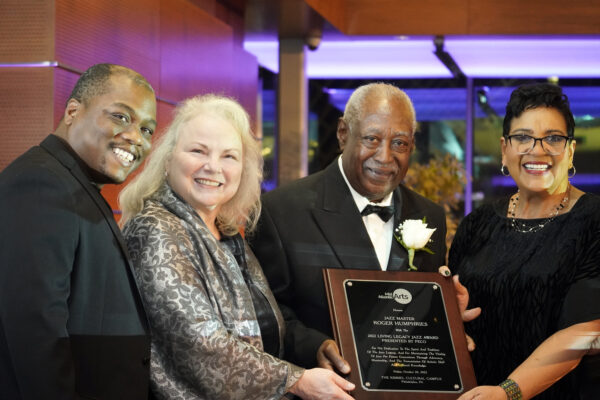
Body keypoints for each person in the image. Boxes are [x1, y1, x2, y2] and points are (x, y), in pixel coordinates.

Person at [119, 94, 355, 400]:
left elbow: (265, 329)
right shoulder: (155, 229)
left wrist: (315, 347)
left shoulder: (228, 235)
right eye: (197, 151)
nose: (213, 166)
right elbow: (201, 345)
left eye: (229, 156)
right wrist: (297, 380)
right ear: (168, 160)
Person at [248, 82, 453, 370]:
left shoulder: (429, 216)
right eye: (371, 139)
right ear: (343, 134)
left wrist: (448, 320)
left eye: (399, 143)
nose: (384, 157)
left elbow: (423, 309)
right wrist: (312, 346)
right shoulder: (281, 211)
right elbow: (263, 311)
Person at [0, 63, 157, 399]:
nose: (135, 138)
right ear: (72, 111)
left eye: (147, 130)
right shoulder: (41, 183)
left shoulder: (73, 183)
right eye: (121, 117)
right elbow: (35, 329)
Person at [449, 83, 600, 400]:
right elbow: (458, 311)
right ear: (504, 148)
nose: (538, 149)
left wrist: (508, 393)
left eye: (553, 139)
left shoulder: (594, 220)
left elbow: (586, 330)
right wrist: (452, 319)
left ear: (570, 150)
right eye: (523, 137)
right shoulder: (477, 224)